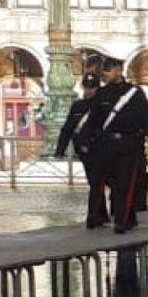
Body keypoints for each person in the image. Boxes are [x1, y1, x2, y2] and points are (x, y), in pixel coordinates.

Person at [81, 60, 148, 233]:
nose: (105, 74)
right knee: (108, 183)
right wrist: (87, 142)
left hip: (129, 144)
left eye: (108, 70)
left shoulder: (134, 93)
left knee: (127, 183)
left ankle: (122, 220)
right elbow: (92, 120)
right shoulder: (102, 93)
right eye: (104, 70)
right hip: (106, 145)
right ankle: (109, 216)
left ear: (119, 71)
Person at [54, 74, 106, 228]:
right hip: (84, 150)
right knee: (95, 182)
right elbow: (68, 128)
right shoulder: (77, 106)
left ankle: (95, 214)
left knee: (98, 182)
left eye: (92, 87)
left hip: (101, 148)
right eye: (87, 87)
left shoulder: (103, 105)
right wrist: (60, 149)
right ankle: (99, 214)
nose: (89, 91)